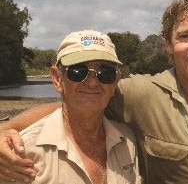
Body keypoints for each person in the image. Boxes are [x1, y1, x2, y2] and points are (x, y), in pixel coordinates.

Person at [0, 0, 188, 184]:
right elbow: (82, 102)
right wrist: (7, 128)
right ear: (168, 45)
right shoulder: (143, 94)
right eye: (184, 36)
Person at [0, 30, 142, 184]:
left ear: (115, 81)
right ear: (57, 79)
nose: (92, 82)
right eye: (78, 72)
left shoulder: (127, 142)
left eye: (105, 73)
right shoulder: (21, 153)